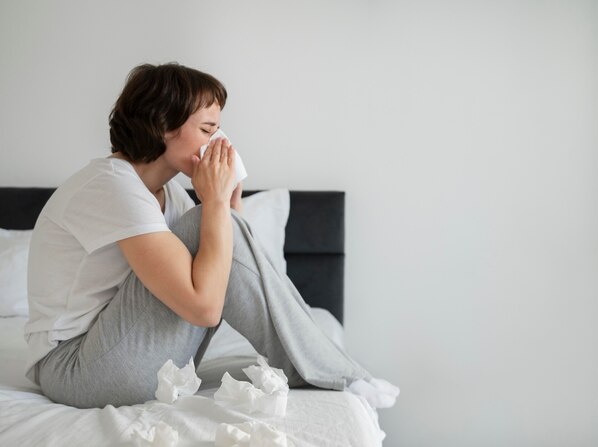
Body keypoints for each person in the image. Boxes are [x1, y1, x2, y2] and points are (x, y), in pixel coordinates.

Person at [24, 62, 373, 408]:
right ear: (163, 124)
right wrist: (217, 207)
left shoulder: (171, 194)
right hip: (74, 369)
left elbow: (224, 280)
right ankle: (329, 370)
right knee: (206, 221)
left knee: (211, 226)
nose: (219, 142)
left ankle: (323, 366)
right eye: (208, 130)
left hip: (117, 356)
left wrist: (228, 209)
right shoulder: (111, 186)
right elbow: (205, 309)